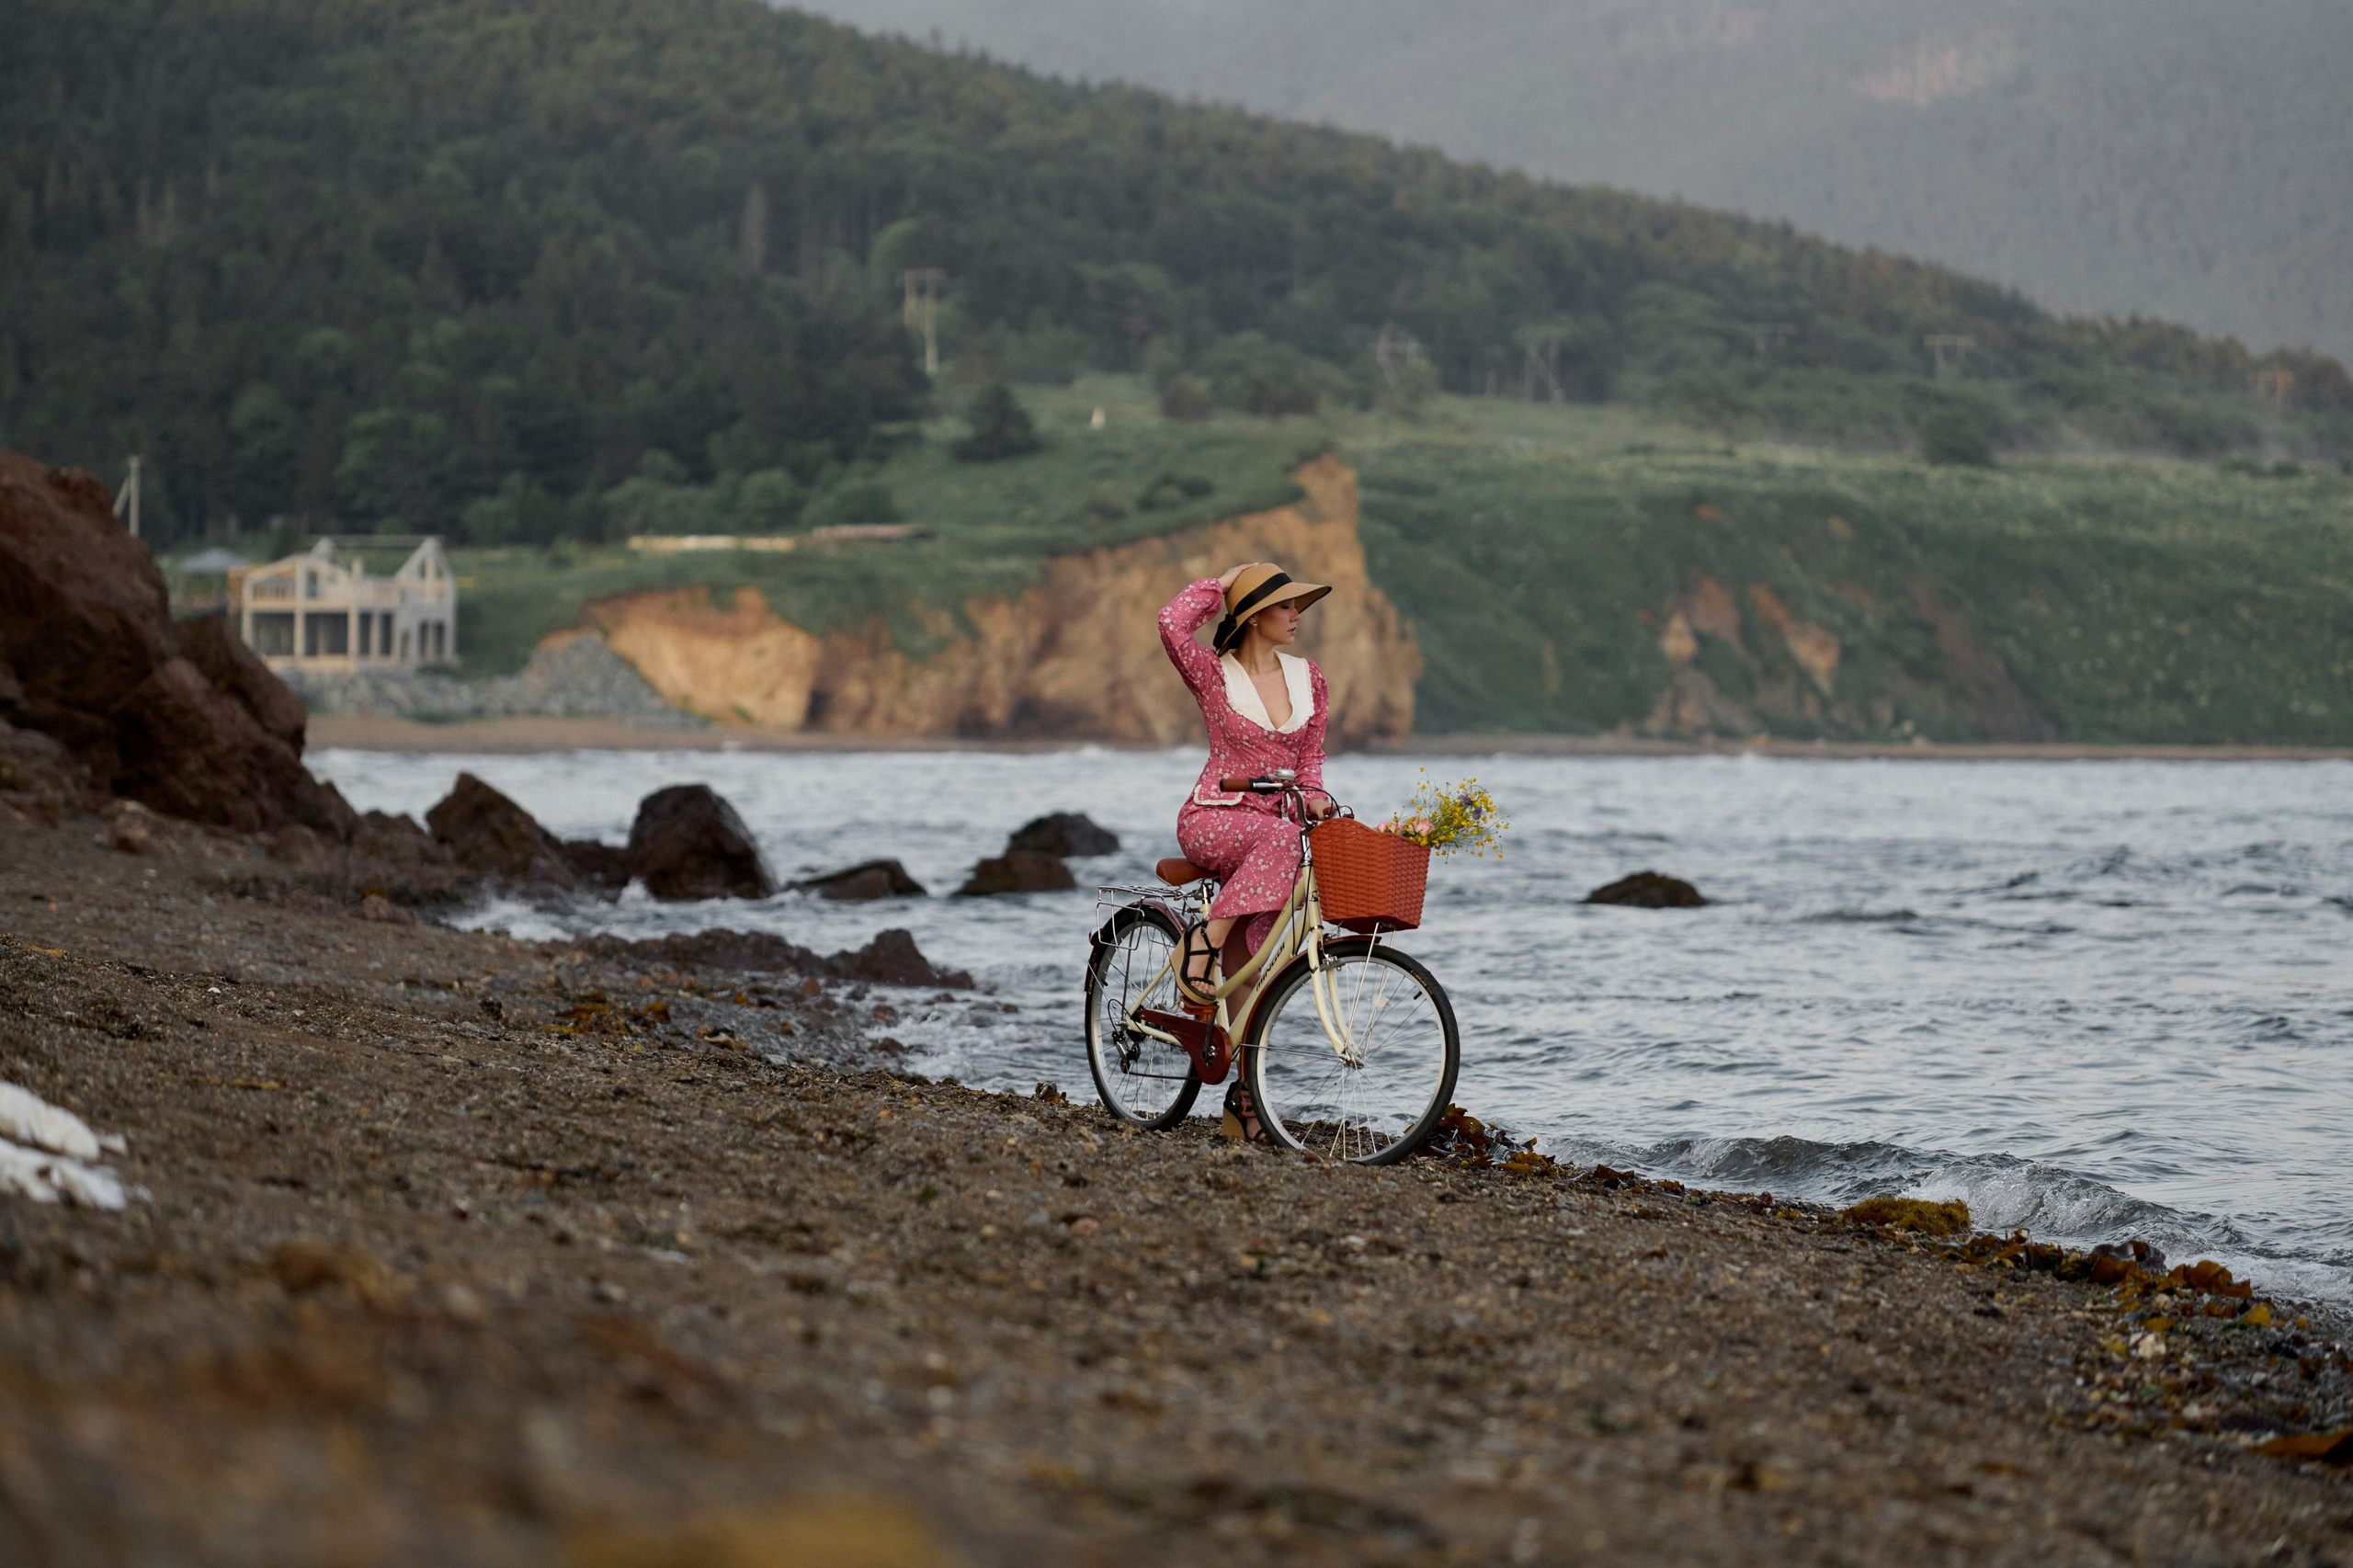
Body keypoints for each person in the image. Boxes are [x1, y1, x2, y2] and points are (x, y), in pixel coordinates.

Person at [1157, 562, 1335, 1132]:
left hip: (1276, 836)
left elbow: (1310, 764)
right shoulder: (1213, 675)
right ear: (1254, 616)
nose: (1295, 615)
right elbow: (1170, 624)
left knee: (1262, 966)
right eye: (1285, 606)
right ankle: (1202, 944)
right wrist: (1220, 582)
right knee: (1280, 844)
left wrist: (1315, 798)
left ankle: (1245, 1100)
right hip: (1214, 818)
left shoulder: (1311, 679)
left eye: (1296, 606)